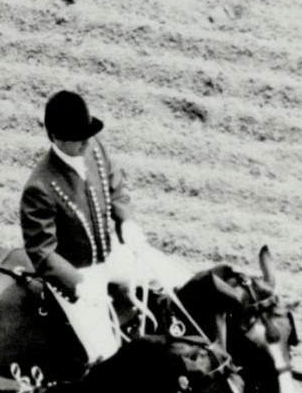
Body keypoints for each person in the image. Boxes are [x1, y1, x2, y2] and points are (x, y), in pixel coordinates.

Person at [19, 89, 189, 363]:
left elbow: (117, 189)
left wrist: (127, 222)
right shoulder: (39, 187)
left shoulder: (94, 147)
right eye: (77, 140)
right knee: (107, 357)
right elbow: (42, 252)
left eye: (86, 136)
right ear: (55, 139)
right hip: (80, 274)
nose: (85, 144)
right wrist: (78, 283)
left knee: (178, 280)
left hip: (112, 254)